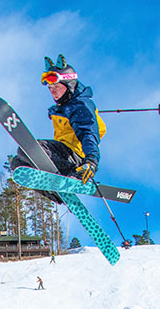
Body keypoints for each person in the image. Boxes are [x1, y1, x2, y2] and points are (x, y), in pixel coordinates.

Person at [9, 54, 106, 203]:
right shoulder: (62, 108)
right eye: (50, 88)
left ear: (69, 86)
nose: (53, 91)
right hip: (63, 153)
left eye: (57, 87)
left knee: (28, 149)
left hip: (76, 156)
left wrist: (91, 161)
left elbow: (89, 133)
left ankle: (71, 175)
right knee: (18, 165)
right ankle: (59, 195)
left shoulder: (80, 106)